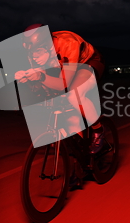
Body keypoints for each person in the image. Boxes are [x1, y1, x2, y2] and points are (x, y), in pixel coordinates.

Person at [14, 24, 106, 154]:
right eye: (31, 53)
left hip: (87, 62)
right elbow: (40, 84)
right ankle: (80, 155)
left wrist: (40, 76)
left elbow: (63, 84)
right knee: (64, 109)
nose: (34, 56)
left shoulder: (68, 43)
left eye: (38, 52)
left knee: (74, 94)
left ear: (48, 45)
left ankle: (98, 129)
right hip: (62, 65)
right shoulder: (35, 51)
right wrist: (27, 79)